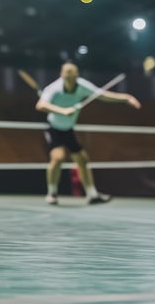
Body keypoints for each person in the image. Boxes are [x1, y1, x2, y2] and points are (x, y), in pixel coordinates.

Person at [36, 62, 141, 205]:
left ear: (76, 74)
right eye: (66, 71)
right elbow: (40, 105)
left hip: (68, 129)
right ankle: (52, 193)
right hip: (53, 128)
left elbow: (103, 95)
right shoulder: (54, 88)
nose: (69, 74)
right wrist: (63, 111)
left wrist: (126, 98)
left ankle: (92, 194)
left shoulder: (82, 86)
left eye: (72, 71)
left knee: (82, 159)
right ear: (61, 74)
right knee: (58, 157)